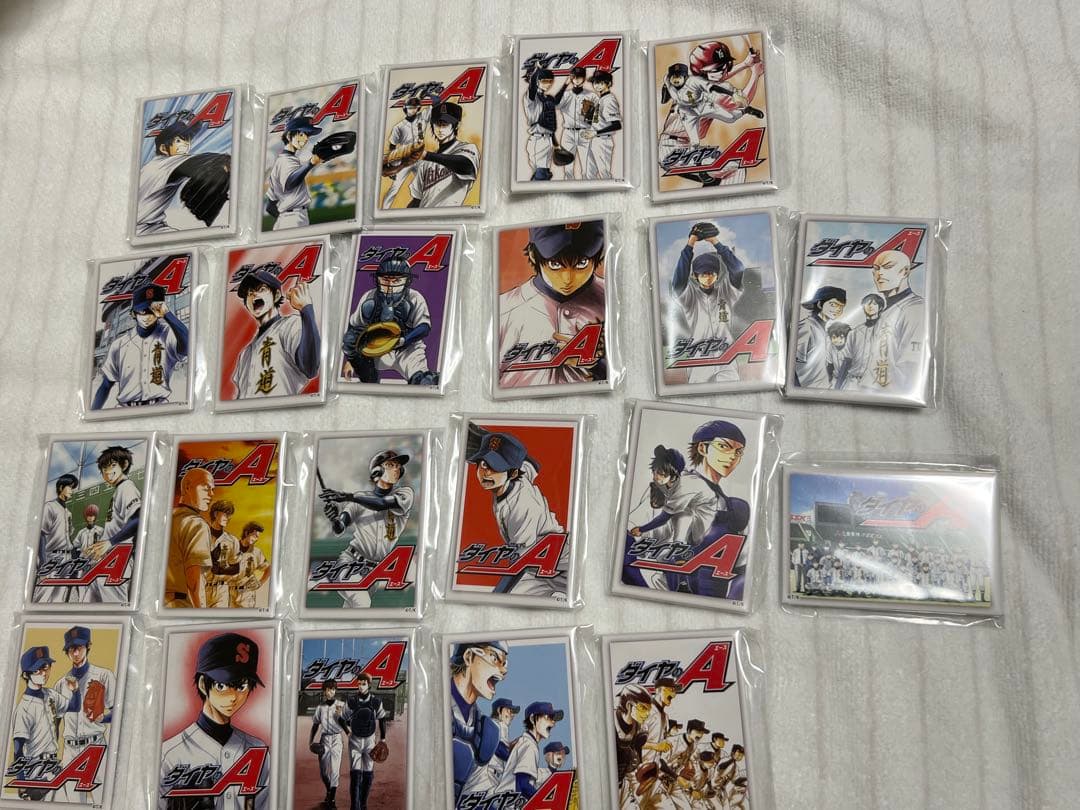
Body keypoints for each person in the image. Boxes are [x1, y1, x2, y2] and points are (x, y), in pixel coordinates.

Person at [157, 633, 269, 808]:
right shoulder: (169, 755)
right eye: (222, 686)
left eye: (241, 686)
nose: (233, 696)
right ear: (203, 684)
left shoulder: (258, 750)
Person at [498, 220, 607, 389]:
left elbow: (633, 371)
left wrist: (597, 364)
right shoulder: (503, 309)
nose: (567, 278)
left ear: (599, 254)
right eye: (555, 264)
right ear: (533, 255)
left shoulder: (613, 300)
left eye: (581, 263)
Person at [467, 431, 567, 600]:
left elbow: (519, 564)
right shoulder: (519, 474)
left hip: (560, 567)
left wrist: (494, 600)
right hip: (536, 566)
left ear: (513, 473)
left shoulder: (521, 506)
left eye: (496, 466)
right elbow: (532, 464)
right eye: (483, 464)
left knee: (505, 599)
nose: (486, 473)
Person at [320, 449, 415, 608]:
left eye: (398, 466)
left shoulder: (406, 494)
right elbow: (339, 528)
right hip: (350, 563)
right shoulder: (359, 499)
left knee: (351, 611)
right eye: (390, 465)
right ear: (377, 471)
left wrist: (348, 496)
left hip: (374, 573)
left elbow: (381, 504)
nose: (396, 469)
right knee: (362, 603)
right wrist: (334, 518)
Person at [341, 258, 437, 386]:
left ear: (407, 281)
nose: (390, 286)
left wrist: (403, 340)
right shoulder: (369, 297)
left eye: (396, 281)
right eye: (385, 280)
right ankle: (368, 378)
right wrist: (351, 361)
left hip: (407, 348)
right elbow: (354, 328)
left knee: (423, 382)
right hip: (375, 348)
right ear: (378, 279)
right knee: (350, 340)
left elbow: (424, 327)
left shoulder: (415, 297)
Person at [669, 224, 746, 383]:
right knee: (697, 394)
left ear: (717, 275)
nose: (708, 277)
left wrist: (715, 242)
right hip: (699, 359)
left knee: (734, 390)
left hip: (726, 356)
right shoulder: (690, 297)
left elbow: (738, 269)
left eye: (712, 273)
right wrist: (691, 243)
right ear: (695, 277)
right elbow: (678, 282)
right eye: (703, 274)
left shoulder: (726, 292)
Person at [93, 283, 189, 410]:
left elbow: (188, 347)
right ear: (134, 314)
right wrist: (93, 412)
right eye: (143, 311)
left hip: (161, 408)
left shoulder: (167, 335)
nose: (148, 316)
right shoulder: (119, 344)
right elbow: (106, 385)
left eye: (152, 311)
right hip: (125, 409)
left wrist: (167, 313)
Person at [230, 263, 320, 399]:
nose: (253, 294)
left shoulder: (289, 325)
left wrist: (306, 309)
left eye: (261, 289)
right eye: (248, 293)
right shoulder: (245, 353)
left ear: (276, 295)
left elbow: (310, 367)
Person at [55, 626, 115, 804]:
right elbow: (56, 721)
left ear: (88, 646)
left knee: (103, 801)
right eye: (71, 649)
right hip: (70, 750)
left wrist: (104, 718)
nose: (75, 653)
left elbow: (119, 711)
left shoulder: (104, 675)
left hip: (95, 746)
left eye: (79, 647)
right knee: (74, 804)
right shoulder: (60, 684)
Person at [10, 646, 78, 800]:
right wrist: (22, 782)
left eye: (45, 667)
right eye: (37, 670)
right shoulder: (24, 708)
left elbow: (74, 706)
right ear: (26, 674)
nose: (43, 673)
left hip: (53, 767)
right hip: (35, 770)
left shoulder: (51, 694)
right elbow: (18, 750)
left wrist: (75, 691)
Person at [449, 641, 511, 802]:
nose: (504, 670)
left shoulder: (484, 730)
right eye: (495, 658)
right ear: (469, 657)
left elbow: (478, 789)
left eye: (504, 663)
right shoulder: (433, 706)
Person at [404, 101, 480, 208]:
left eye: (445, 124)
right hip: (423, 216)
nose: (440, 129)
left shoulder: (467, 148)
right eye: (437, 124)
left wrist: (426, 155)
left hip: (448, 215)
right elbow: (417, 200)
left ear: (456, 125)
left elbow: (466, 166)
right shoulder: (425, 163)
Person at [493, 701, 564, 799]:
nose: (553, 723)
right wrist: (542, 802)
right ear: (532, 719)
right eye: (548, 717)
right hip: (508, 803)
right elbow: (522, 785)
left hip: (504, 800)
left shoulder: (526, 741)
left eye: (553, 719)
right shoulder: (529, 745)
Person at [265, 116, 325, 230]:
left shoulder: (280, 162)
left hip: (284, 221)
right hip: (294, 218)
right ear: (289, 136)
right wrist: (310, 164)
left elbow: (270, 207)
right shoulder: (287, 161)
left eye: (307, 135)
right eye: (301, 134)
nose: (306, 139)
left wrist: (284, 219)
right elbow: (290, 183)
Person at [165, 467, 214, 608]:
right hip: (180, 605)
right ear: (187, 487)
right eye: (206, 488)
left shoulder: (165, 519)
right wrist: (200, 613)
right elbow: (194, 581)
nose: (211, 494)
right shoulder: (196, 524)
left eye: (212, 489)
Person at [340, 673, 387, 810]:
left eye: (363, 684)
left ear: (369, 685)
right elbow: (341, 719)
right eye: (359, 683)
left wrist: (383, 739)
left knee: (368, 774)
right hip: (355, 740)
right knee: (355, 774)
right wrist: (348, 732)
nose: (360, 686)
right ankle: (355, 806)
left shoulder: (376, 702)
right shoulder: (352, 701)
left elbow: (382, 719)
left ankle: (363, 804)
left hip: (369, 741)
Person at [35, 473, 78, 603]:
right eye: (69, 487)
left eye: (73, 488)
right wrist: (43, 565)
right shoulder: (49, 507)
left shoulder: (68, 513)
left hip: (66, 558)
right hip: (52, 558)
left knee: (59, 598)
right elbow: (41, 535)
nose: (72, 491)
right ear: (60, 488)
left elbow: (68, 538)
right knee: (42, 598)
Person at [793, 286, 846, 388]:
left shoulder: (826, 331)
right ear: (819, 304)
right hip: (806, 389)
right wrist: (797, 390)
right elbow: (792, 366)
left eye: (841, 306)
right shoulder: (807, 326)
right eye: (833, 304)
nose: (838, 309)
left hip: (822, 388)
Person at [523, 68, 568, 180]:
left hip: (548, 139)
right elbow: (532, 87)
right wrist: (537, 70)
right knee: (541, 174)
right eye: (544, 81)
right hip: (538, 140)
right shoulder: (531, 98)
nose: (548, 84)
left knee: (545, 174)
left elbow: (555, 101)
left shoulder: (547, 98)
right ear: (537, 81)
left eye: (550, 81)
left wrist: (565, 85)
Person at [310, 679, 347, 809]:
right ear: (324, 691)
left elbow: (347, 722)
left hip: (337, 739)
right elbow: (315, 725)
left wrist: (342, 717)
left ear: (335, 690)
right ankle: (329, 790)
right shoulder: (320, 708)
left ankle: (332, 799)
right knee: (324, 772)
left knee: (335, 771)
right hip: (324, 739)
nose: (330, 692)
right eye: (327, 689)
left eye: (332, 689)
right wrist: (310, 741)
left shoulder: (340, 705)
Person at [557, 66, 597, 178]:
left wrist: (593, 129)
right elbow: (555, 104)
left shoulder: (592, 95)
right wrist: (564, 85)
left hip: (585, 132)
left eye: (579, 77)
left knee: (587, 169)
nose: (577, 80)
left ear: (584, 78)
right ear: (571, 78)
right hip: (568, 133)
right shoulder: (565, 94)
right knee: (568, 169)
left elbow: (596, 118)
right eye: (574, 77)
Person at [583, 69, 621, 180]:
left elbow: (617, 125)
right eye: (595, 82)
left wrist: (596, 132)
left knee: (604, 174)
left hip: (603, 141)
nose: (597, 85)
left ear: (608, 83)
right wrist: (588, 116)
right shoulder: (602, 99)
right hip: (595, 140)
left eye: (600, 83)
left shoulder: (609, 100)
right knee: (590, 175)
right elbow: (599, 121)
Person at [229, 522, 270, 609]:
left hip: (247, 593)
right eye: (255, 536)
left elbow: (269, 568)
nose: (256, 539)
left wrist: (260, 583)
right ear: (247, 533)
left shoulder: (256, 552)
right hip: (231, 592)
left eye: (258, 537)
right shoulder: (232, 548)